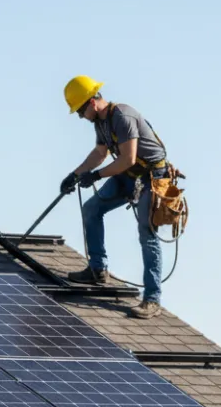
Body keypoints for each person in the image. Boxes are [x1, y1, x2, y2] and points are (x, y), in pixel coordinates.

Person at [60, 75, 172, 319]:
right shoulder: (100, 123)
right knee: (92, 209)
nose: (80, 116)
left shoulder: (122, 116)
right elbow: (100, 153)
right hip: (127, 176)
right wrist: (76, 174)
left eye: (80, 110)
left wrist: (97, 176)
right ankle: (98, 269)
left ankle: (152, 299)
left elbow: (128, 159)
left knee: (147, 233)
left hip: (150, 178)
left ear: (91, 102)